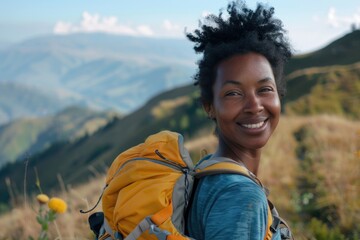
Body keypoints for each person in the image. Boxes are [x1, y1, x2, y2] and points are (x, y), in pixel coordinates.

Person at [186, 1, 292, 239]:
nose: (254, 106)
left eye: (265, 89)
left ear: (279, 93)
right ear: (210, 107)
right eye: (234, 93)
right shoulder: (240, 195)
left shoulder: (207, 168)